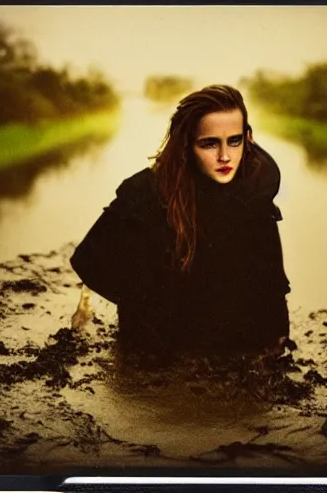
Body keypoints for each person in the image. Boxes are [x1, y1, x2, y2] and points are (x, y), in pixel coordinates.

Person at [70, 85, 292, 358]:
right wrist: (145, 305)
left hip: (232, 350)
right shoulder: (145, 193)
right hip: (156, 353)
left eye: (234, 141)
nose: (225, 156)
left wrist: (276, 344)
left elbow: (272, 287)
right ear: (186, 144)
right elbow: (90, 262)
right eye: (209, 143)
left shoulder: (257, 192)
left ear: (248, 138)